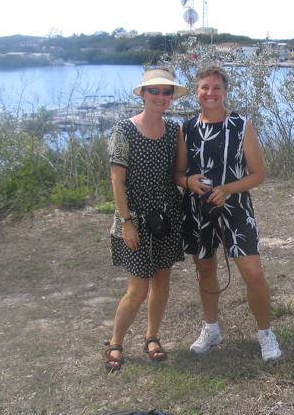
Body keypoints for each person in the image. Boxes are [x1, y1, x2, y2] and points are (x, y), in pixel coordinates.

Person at [174, 65, 281, 362]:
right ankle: (211, 329)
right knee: (205, 270)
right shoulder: (187, 129)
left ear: (225, 91)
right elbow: (179, 173)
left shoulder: (241, 125)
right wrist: (188, 182)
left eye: (216, 87)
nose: (210, 93)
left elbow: (258, 174)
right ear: (196, 92)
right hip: (197, 209)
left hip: (235, 208)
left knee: (253, 272)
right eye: (205, 87)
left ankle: (265, 333)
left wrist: (227, 189)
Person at [104, 68, 188, 371]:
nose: (161, 97)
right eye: (154, 91)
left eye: (166, 92)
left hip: (166, 216)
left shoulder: (174, 130)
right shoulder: (123, 131)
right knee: (137, 289)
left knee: (162, 283)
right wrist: (126, 221)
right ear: (142, 94)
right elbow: (117, 181)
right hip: (136, 219)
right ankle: (115, 342)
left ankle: (152, 336)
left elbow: (179, 173)